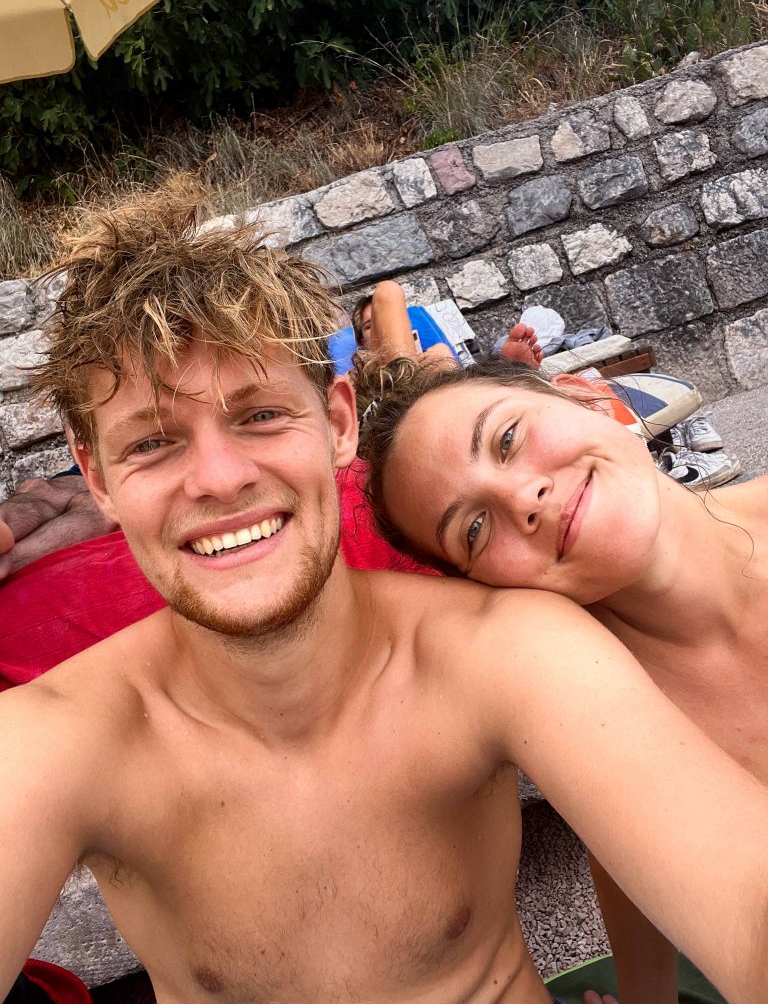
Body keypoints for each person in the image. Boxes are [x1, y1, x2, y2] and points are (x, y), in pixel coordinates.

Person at [2, 198, 768, 1004]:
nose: (221, 480)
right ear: (97, 481)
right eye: (153, 442)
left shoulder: (503, 651)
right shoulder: (65, 740)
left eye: (260, 416)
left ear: (336, 423)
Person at [356, 352, 768, 1004]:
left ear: (588, 397)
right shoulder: (605, 717)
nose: (522, 497)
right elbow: (630, 852)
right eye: (474, 527)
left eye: (507, 438)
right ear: (488, 588)